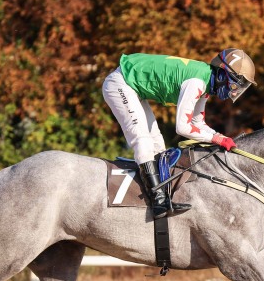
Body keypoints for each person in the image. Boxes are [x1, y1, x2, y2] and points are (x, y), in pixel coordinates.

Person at [102, 48, 256, 218]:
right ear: (222, 75)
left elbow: (197, 123)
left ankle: (163, 196)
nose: (234, 92)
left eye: (239, 89)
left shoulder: (205, 84)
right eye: (234, 85)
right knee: (143, 141)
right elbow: (182, 127)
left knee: (157, 144)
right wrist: (216, 139)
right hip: (121, 83)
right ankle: (158, 201)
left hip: (133, 87)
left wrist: (221, 137)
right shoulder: (197, 82)